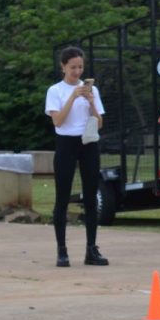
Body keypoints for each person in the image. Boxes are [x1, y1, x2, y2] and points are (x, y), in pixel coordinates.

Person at [45, 46, 107, 267]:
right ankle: (62, 250)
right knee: (62, 197)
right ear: (63, 67)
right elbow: (58, 121)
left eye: (80, 67)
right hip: (66, 143)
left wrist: (90, 101)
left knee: (90, 196)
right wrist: (72, 97)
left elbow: (99, 123)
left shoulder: (92, 90)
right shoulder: (55, 91)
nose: (77, 71)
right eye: (73, 67)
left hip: (88, 142)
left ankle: (91, 248)